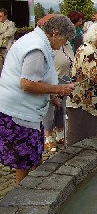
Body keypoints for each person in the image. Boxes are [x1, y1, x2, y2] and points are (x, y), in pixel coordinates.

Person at [0, 14, 75, 183]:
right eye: (64, 40)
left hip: (26, 111)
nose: (63, 44)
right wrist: (59, 89)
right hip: (19, 112)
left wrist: (52, 96)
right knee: (24, 158)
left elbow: (40, 77)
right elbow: (27, 84)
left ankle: (38, 183)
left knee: (34, 151)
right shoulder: (37, 48)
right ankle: (23, 195)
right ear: (55, 33)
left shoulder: (38, 41)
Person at [66, 22, 97, 145]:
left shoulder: (86, 48)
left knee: (83, 137)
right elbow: (95, 78)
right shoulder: (89, 52)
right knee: (81, 140)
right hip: (84, 104)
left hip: (86, 103)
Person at [43, 41, 74, 152]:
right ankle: (48, 137)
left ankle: (60, 134)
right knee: (50, 110)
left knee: (61, 108)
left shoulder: (67, 44)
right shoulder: (49, 45)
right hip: (52, 81)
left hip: (65, 79)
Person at [0, 8, 16, 76]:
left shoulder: (10, 23)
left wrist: (2, 35)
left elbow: (10, 32)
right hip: (0, 49)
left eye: (1, 16)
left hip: (6, 49)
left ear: (5, 16)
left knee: (7, 67)